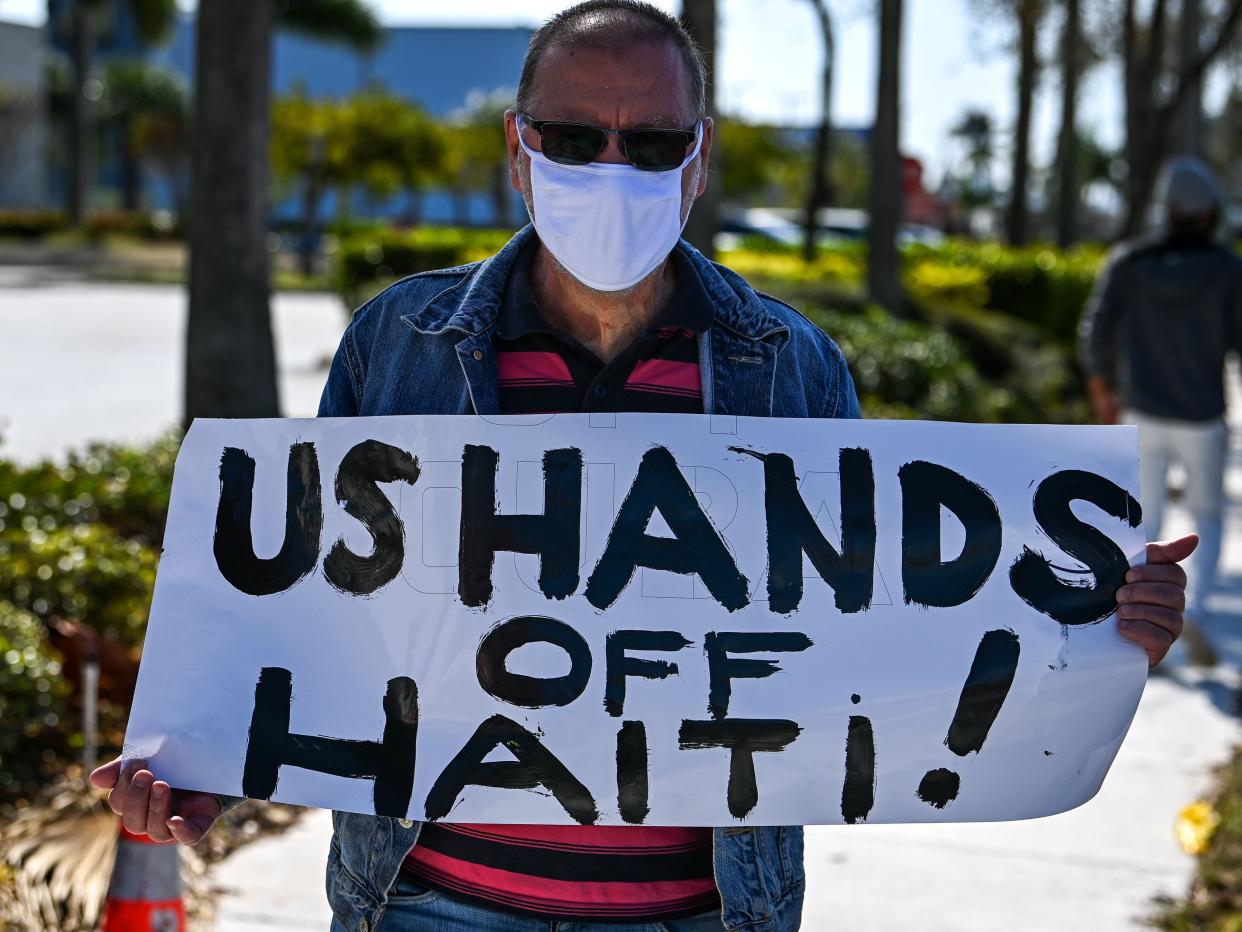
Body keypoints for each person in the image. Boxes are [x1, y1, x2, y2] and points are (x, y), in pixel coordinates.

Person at [94, 3, 1196, 929]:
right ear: (517, 152)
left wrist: (1087, 625)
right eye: (574, 138)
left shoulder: (793, 365)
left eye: (652, 142)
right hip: (429, 899)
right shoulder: (399, 341)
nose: (611, 167)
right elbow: (318, 610)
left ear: (698, 156)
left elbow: (870, 633)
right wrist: (210, 770)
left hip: (702, 908)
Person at [1081, 156, 1235, 646]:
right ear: (1209, 212)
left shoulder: (1130, 261)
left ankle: (1137, 616)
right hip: (1202, 413)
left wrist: (1102, 391)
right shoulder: (1228, 269)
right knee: (1207, 514)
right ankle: (1200, 613)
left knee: (1142, 520)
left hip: (1141, 411)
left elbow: (1096, 331)